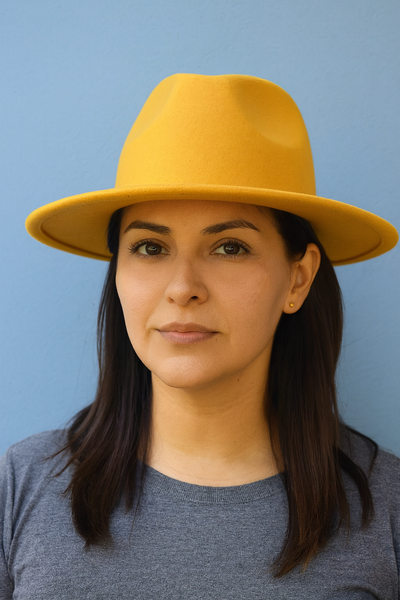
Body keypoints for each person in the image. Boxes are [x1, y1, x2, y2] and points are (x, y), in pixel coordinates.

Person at [1, 73, 399, 599]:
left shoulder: (387, 507)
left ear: (298, 279)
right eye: (150, 248)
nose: (182, 288)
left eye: (230, 247)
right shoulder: (22, 485)